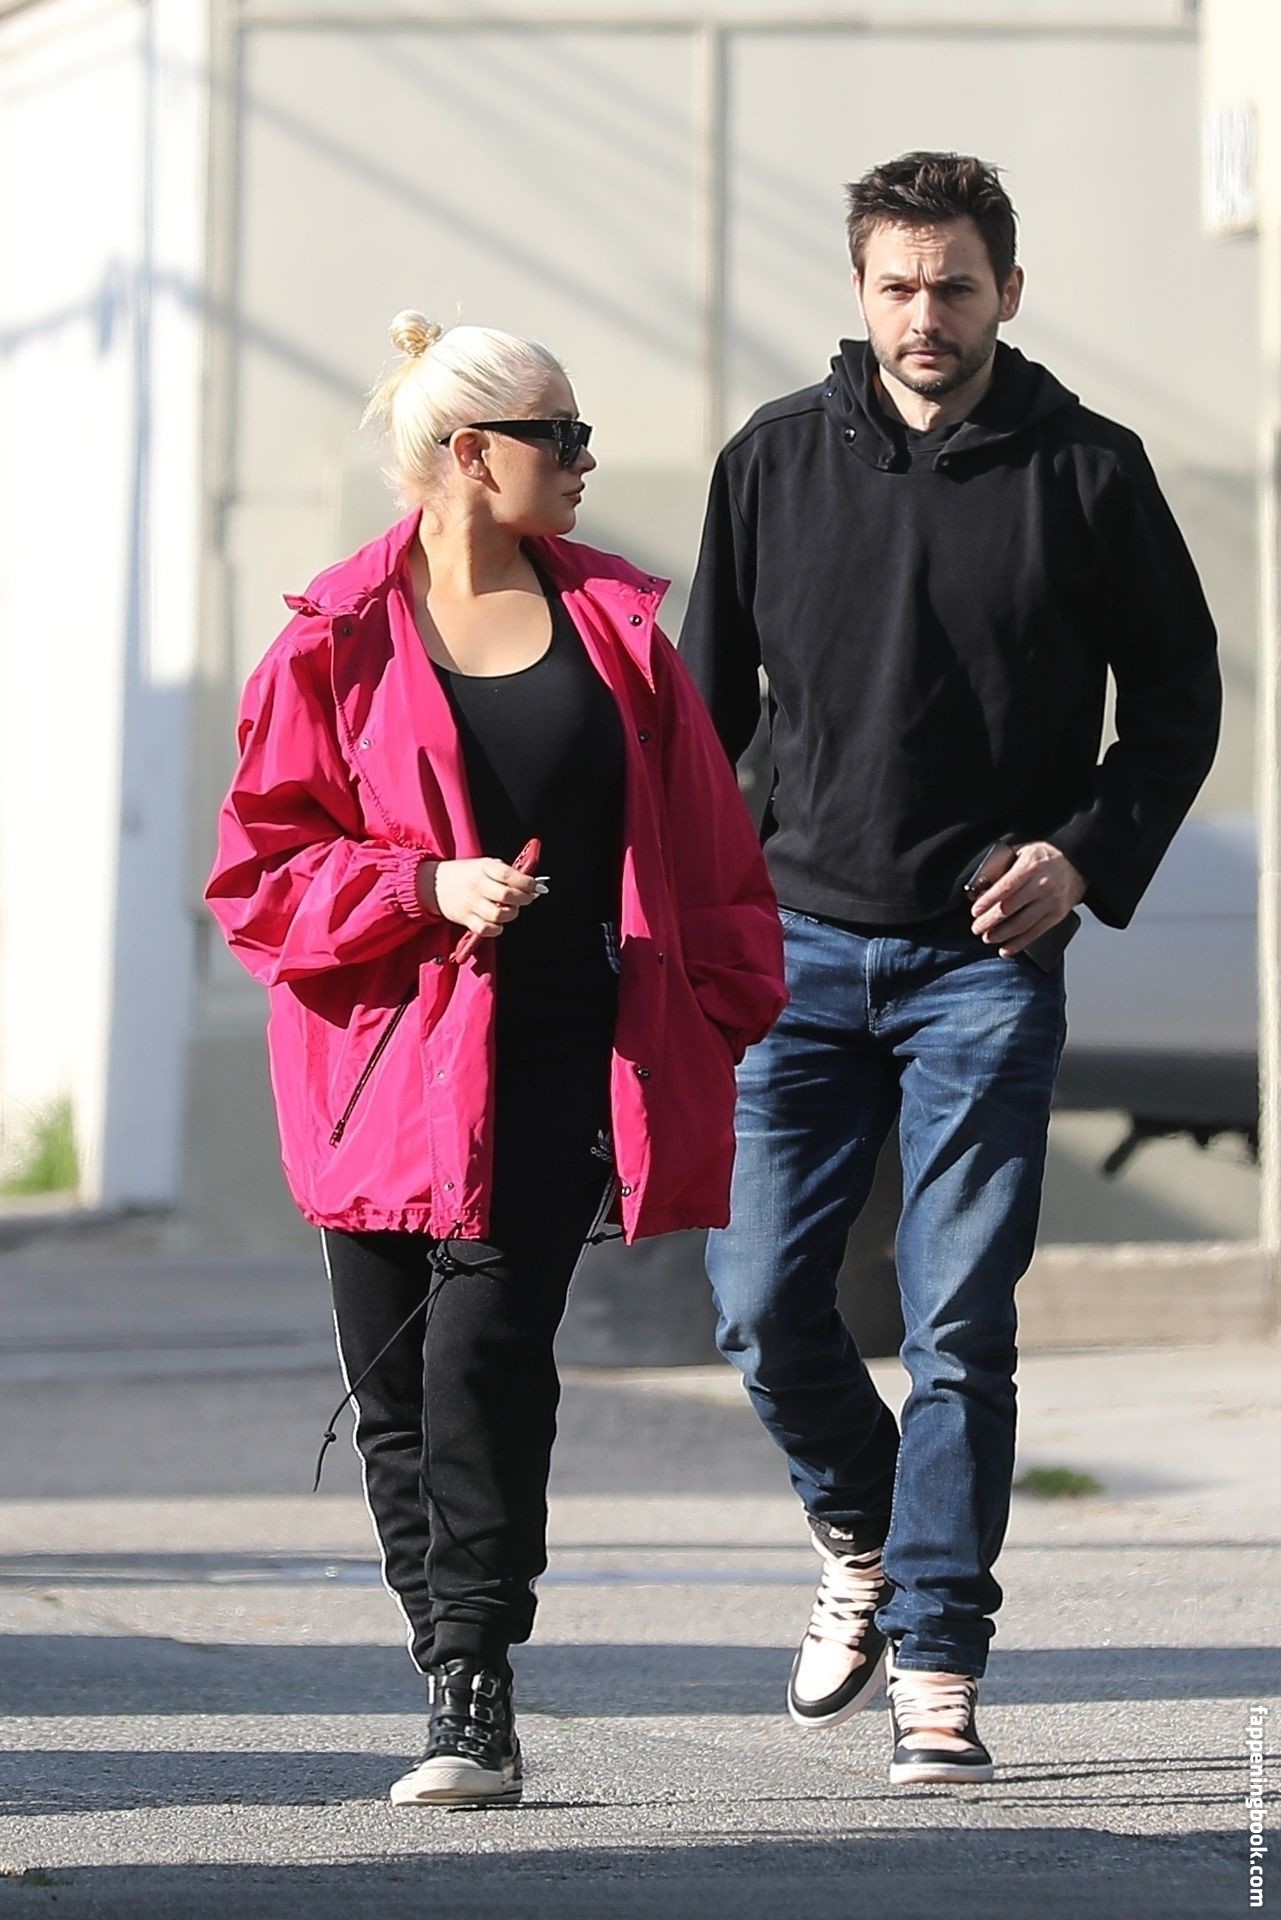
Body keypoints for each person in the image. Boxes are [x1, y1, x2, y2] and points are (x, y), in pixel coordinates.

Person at [680, 151, 1221, 1786]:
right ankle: (860, 1526)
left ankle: (935, 1658)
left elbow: (1177, 706)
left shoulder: (1090, 470)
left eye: (956, 285)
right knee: (758, 1306)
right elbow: (701, 723)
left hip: (981, 963)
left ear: (1007, 291)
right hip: (794, 953)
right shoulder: (772, 460)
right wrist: (685, 925)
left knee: (958, 1325)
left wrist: (1081, 855)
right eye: (899, 285)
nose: (927, 314)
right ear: (860, 291)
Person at [206, 311, 786, 1809]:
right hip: (377, 1067)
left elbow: (709, 847)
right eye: (559, 435)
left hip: (558, 1050)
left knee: (487, 1355)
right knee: (395, 1392)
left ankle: (474, 1682)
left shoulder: (619, 636)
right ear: (472, 455)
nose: (585, 459)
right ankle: (445, 1656)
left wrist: (718, 1015)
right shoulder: (332, 643)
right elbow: (259, 877)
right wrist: (419, 886)